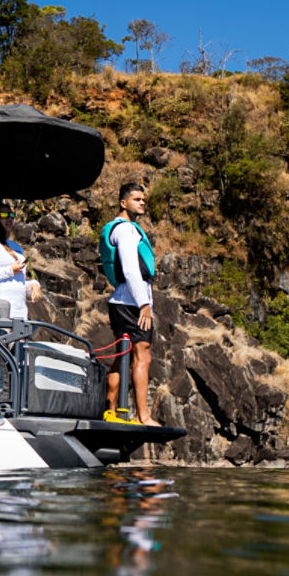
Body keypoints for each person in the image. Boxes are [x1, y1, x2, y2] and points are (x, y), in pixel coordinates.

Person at [99, 181, 157, 425]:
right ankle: (144, 416)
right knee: (142, 355)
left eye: (143, 199)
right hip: (132, 302)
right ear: (123, 203)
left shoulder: (125, 228)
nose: (142, 202)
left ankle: (109, 410)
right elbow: (131, 269)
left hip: (124, 300)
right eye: (136, 199)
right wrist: (144, 304)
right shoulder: (125, 230)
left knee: (123, 355)